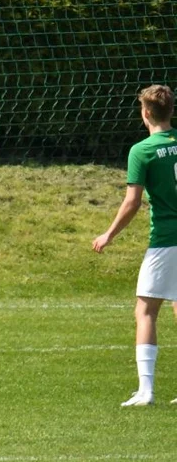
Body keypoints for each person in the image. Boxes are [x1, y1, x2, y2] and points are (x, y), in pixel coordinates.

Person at [93, 84, 177, 406]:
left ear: (145, 113)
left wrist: (108, 234)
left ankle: (146, 391)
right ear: (171, 111)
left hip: (166, 239)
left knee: (145, 310)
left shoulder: (142, 150)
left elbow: (132, 202)